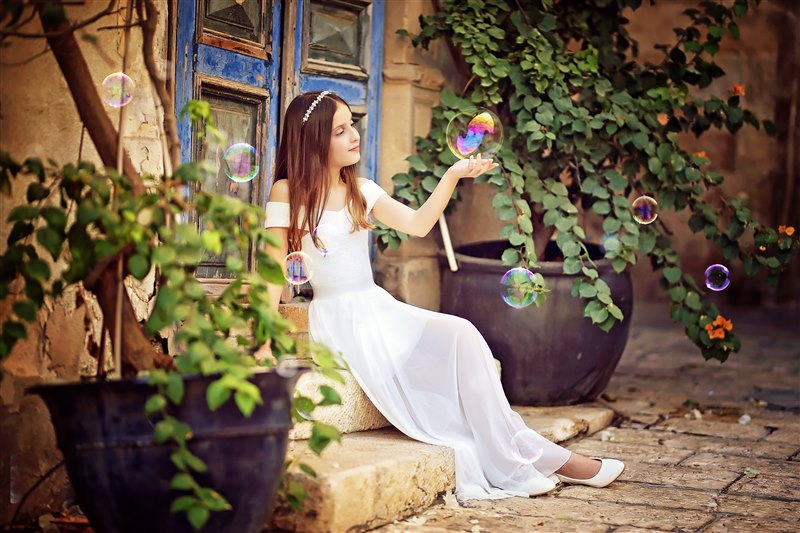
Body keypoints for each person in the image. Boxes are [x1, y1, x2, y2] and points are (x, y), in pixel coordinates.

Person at [256, 90, 625, 501]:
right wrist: (261, 339)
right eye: (339, 131)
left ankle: (532, 458)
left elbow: (418, 224)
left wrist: (451, 176)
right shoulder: (288, 193)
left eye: (352, 125)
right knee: (451, 379)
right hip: (341, 321)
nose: (354, 136)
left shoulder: (361, 189)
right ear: (313, 140)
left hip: (377, 308)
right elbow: (272, 268)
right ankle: (550, 461)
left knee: (463, 334)